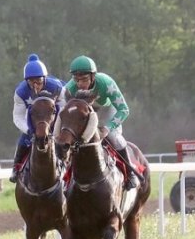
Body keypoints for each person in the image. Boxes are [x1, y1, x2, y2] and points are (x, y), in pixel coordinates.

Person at [59, 55, 141, 189]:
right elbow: (63, 113)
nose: (80, 84)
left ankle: (130, 173)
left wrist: (107, 128)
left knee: (114, 138)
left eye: (84, 79)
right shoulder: (69, 88)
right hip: (84, 115)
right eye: (76, 79)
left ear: (93, 76)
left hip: (106, 111)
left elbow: (124, 110)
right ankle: (65, 176)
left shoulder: (106, 83)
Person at [10, 53, 64, 183]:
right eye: (31, 82)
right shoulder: (21, 92)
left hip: (54, 117)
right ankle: (16, 167)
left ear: (45, 78)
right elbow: (18, 116)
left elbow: (64, 109)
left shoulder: (57, 87)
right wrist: (29, 130)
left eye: (39, 81)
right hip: (35, 118)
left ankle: (68, 165)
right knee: (24, 139)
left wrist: (56, 128)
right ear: (26, 81)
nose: (36, 86)